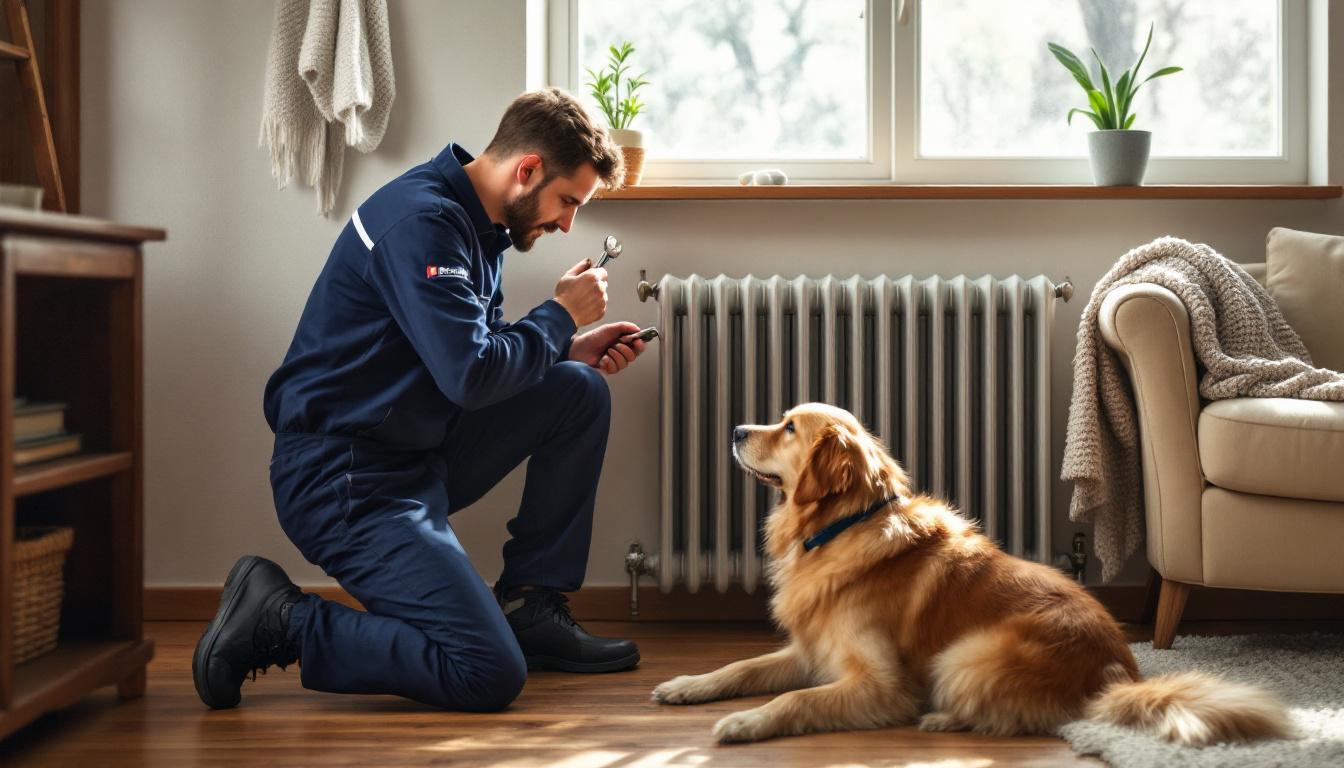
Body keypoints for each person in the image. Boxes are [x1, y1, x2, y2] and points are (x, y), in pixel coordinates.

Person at [193, 88, 647, 712]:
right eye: (567, 202)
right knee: (486, 672)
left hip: (413, 451)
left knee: (577, 390)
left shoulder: (477, 225)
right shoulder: (423, 223)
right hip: (344, 479)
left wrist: (564, 347)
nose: (567, 223)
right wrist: (558, 316)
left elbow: (462, 359)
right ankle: (280, 618)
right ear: (527, 170)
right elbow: (471, 376)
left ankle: (530, 606)